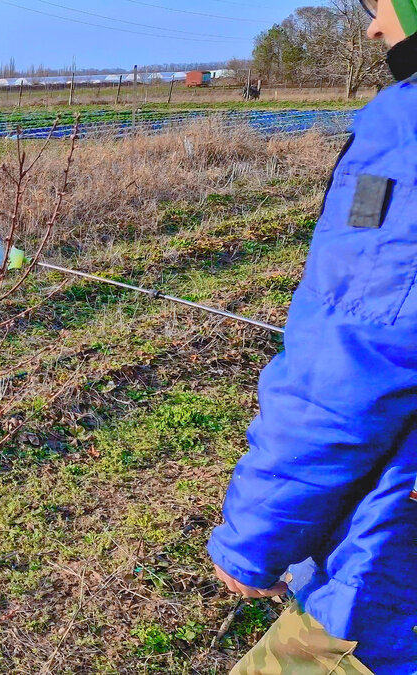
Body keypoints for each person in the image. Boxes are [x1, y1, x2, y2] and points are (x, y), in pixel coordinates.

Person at [207, 1, 417, 673]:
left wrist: (255, 538)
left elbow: (349, 368)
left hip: (388, 590)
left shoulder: (406, 132)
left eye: (379, 4)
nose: (373, 27)